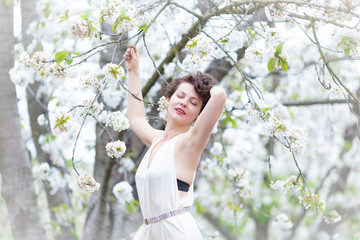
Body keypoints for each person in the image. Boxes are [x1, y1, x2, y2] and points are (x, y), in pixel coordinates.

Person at [124, 46, 226, 240]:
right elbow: (136, 118)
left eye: (194, 103)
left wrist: (203, 85)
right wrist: (134, 71)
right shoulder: (156, 140)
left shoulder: (190, 143)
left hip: (177, 232)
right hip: (150, 230)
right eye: (180, 96)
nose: (184, 103)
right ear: (168, 100)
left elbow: (220, 96)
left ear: (198, 114)